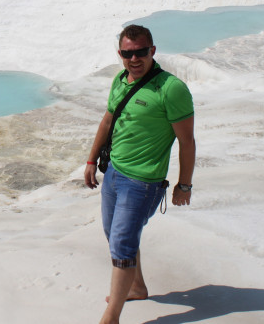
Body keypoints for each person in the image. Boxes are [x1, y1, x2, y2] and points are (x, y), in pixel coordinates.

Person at [84, 24, 196, 324]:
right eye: (127, 53)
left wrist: (184, 185)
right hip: (114, 172)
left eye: (141, 52)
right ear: (120, 54)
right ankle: (136, 287)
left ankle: (111, 317)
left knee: (122, 243)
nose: (134, 59)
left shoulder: (170, 89)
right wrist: (92, 160)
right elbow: (108, 121)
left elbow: (187, 141)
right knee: (115, 235)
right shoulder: (121, 80)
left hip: (143, 182)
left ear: (153, 51)